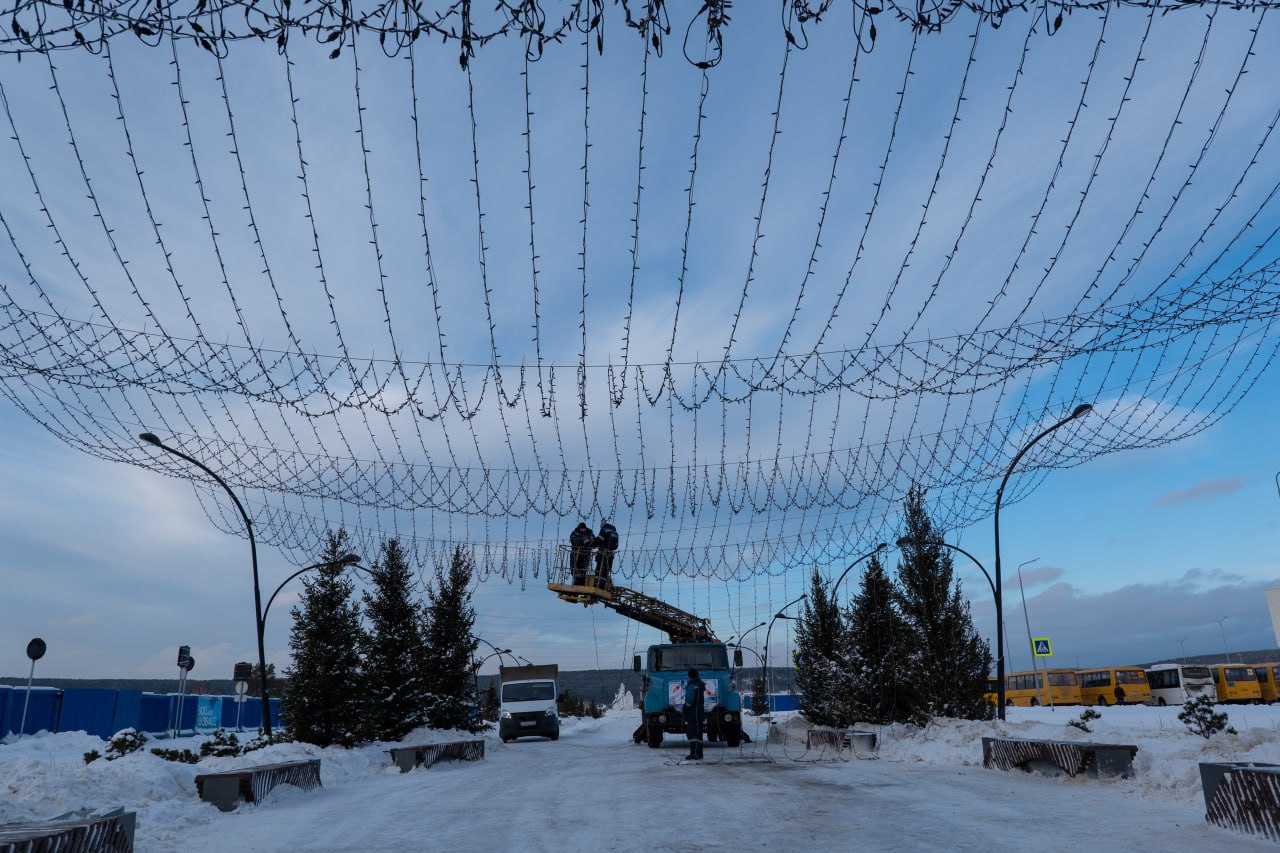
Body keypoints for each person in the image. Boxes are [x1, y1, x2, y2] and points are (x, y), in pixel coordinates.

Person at [683, 669, 706, 761]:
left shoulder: (692, 686)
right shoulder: (700, 685)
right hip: (700, 712)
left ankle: (694, 754)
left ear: (689, 676)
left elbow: (689, 700)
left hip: (693, 713)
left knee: (692, 734)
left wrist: (685, 708)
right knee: (699, 734)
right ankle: (699, 754)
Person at [595, 519, 619, 584]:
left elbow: (599, 540)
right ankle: (602, 585)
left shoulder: (604, 530)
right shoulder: (615, 533)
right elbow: (616, 546)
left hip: (602, 553)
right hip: (610, 555)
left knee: (599, 570)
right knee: (606, 571)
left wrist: (592, 543)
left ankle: (597, 584)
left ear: (602, 525)